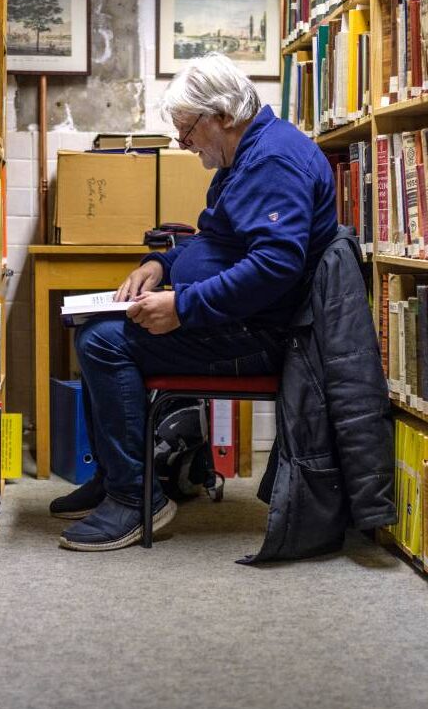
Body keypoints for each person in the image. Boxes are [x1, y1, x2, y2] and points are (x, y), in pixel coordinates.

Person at [51, 52, 338, 552]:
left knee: (103, 342)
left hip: (263, 336)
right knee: (95, 329)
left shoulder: (272, 161)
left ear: (222, 115)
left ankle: (134, 498)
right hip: (238, 321)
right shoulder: (246, 153)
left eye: (186, 130)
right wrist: (159, 265)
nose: (183, 143)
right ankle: (120, 477)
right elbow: (215, 239)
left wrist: (182, 308)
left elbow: (275, 266)